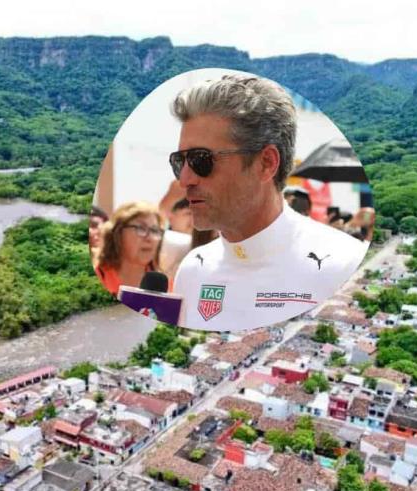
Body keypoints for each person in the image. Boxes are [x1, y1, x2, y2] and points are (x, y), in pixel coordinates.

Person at [170, 74, 368, 331]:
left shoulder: (344, 266)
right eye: (179, 162)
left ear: (266, 163)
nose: (184, 179)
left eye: (200, 160)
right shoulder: (193, 270)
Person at [95, 202, 165, 296]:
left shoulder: (165, 286)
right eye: (141, 228)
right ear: (118, 234)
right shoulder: (97, 278)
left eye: (154, 231)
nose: (150, 238)